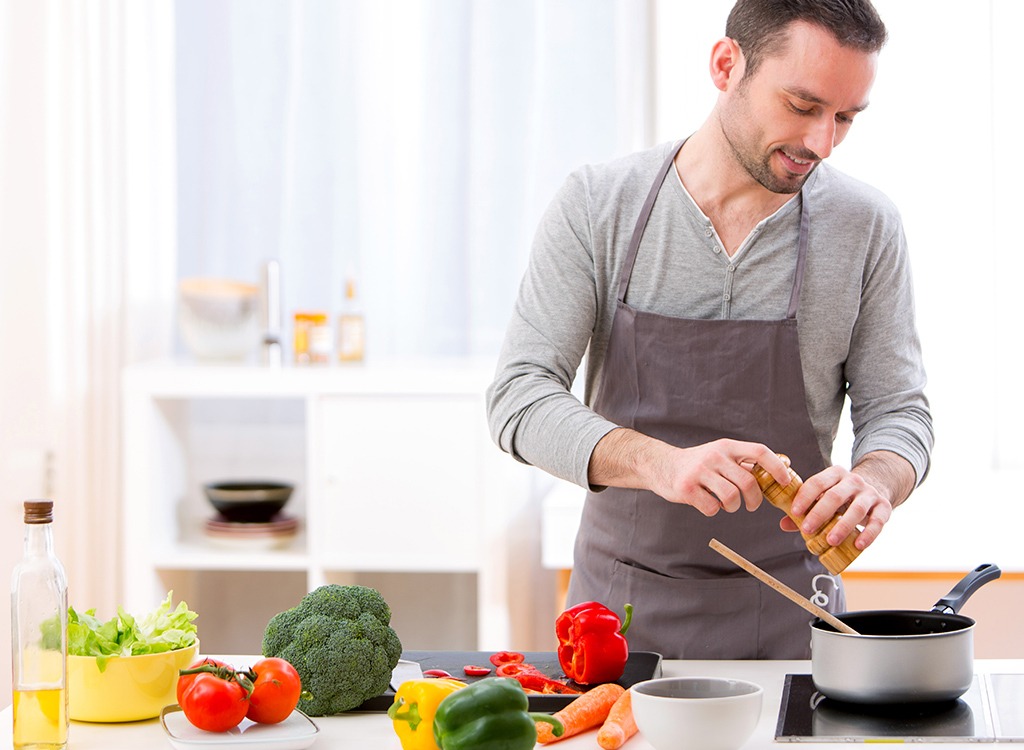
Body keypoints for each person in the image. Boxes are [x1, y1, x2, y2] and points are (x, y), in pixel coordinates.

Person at [485, 0, 933, 660]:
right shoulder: (597, 205)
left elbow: (900, 412)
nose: (821, 143)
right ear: (727, 65)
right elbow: (519, 399)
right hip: (618, 622)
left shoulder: (866, 227)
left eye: (844, 117)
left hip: (793, 620)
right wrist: (661, 464)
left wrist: (874, 480)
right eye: (802, 105)